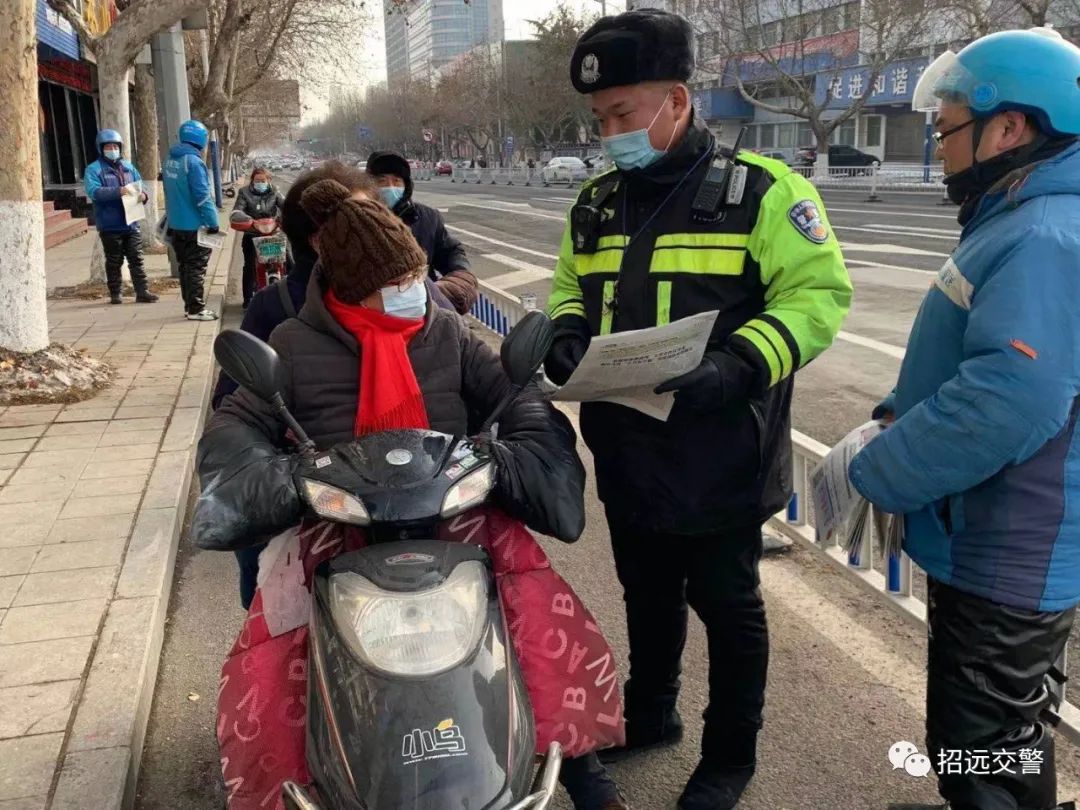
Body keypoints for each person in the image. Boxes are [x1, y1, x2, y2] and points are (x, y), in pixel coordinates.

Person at [197, 179, 627, 809]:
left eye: (417, 276)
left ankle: (584, 772)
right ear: (354, 287)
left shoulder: (446, 332)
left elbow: (517, 397)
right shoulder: (293, 344)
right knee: (277, 656)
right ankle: (291, 784)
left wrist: (510, 455)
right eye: (398, 283)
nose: (414, 291)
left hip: (456, 517)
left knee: (533, 618)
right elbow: (233, 429)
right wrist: (288, 477)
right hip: (340, 527)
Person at [544, 9, 852, 809]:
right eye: (599, 118)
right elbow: (569, 284)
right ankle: (652, 712)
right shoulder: (596, 203)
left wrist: (739, 364)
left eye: (622, 113)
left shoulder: (764, 192)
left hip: (723, 446)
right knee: (646, 592)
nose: (610, 132)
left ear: (677, 101)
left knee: (727, 606)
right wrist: (567, 332)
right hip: (627, 444)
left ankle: (729, 754)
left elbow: (816, 297)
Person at [849, 27, 1080, 810]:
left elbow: (1010, 397)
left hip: (1008, 547)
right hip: (998, 536)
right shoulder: (1023, 217)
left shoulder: (1044, 235)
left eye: (947, 130)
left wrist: (874, 471)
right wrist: (897, 415)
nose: (939, 148)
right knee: (996, 736)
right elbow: (972, 360)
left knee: (986, 756)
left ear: (1009, 128)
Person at [210, 160, 454, 609]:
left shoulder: (426, 304)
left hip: (433, 509)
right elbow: (235, 413)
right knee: (276, 610)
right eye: (347, 219)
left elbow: (499, 391)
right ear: (319, 242)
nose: (367, 227)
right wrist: (285, 479)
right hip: (323, 514)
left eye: (372, 215)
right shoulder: (280, 317)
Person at [366, 150, 478, 314]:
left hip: (425, 311)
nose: (390, 187)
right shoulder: (355, 221)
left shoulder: (428, 218)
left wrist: (459, 278)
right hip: (373, 314)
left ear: (406, 185)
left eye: (396, 181)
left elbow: (450, 252)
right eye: (382, 181)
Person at [83, 129, 159, 306]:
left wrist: (144, 196)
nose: (112, 150)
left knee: (136, 258)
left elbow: (141, 187)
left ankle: (142, 291)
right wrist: (118, 191)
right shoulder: (93, 170)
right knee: (114, 260)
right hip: (110, 223)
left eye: (115, 146)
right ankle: (115, 293)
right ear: (101, 148)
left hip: (131, 222)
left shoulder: (128, 167)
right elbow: (94, 192)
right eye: (108, 147)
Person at [163, 119, 220, 321]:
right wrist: (213, 222)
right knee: (196, 267)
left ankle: (189, 306)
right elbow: (202, 196)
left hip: (176, 224)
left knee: (185, 266)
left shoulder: (170, 159)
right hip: (195, 225)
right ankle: (196, 309)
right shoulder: (193, 162)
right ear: (201, 139)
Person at [235, 166, 285, 308]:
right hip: (252, 233)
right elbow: (237, 211)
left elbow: (286, 206)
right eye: (257, 180)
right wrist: (249, 221)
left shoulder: (275, 191)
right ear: (252, 180)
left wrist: (283, 219)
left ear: (269, 180)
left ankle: (293, 293)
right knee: (249, 266)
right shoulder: (244, 192)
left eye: (263, 180)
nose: (260, 183)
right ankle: (248, 299)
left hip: (273, 234)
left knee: (289, 259)